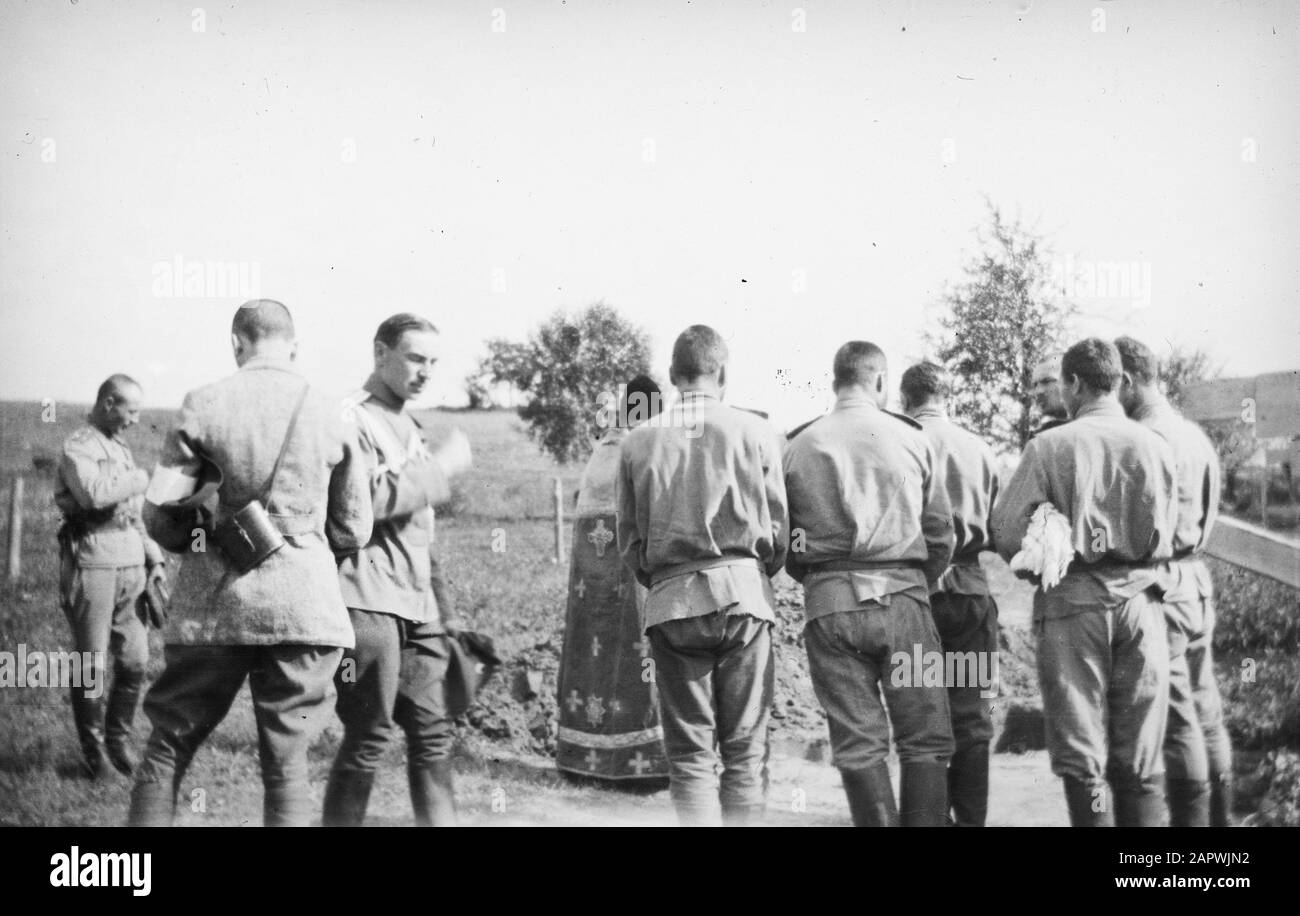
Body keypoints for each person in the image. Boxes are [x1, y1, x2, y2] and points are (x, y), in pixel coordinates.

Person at [130, 299, 373, 827]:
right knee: (287, 762)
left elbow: (160, 517)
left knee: (168, 747)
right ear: (294, 345)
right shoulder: (333, 410)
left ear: (237, 343)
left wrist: (205, 534)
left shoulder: (204, 403)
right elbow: (353, 529)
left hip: (213, 607)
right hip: (306, 611)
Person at [991, 338, 1178, 827]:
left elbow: (1008, 530)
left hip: (1073, 604)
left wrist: (1042, 556)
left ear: (1073, 384)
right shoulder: (1155, 445)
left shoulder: (1049, 446)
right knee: (1139, 751)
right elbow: (1172, 530)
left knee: (1081, 750)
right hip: (1143, 602)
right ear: (1118, 382)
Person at [615, 325, 787, 825]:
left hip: (672, 604)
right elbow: (778, 528)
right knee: (744, 751)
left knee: (689, 755)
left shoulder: (637, 442)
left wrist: (667, 580)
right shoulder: (757, 432)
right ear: (724, 373)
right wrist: (754, 572)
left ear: (671, 376)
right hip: (744, 600)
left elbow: (630, 542)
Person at [785, 342, 955, 827]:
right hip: (904, 601)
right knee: (924, 738)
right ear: (880, 382)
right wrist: (914, 581)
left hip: (830, 606)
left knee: (858, 744)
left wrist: (820, 580)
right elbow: (941, 531)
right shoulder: (914, 439)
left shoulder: (798, 445)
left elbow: (784, 538)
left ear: (835, 380)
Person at [324, 313, 472, 827]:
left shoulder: (410, 425)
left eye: (434, 361)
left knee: (434, 733)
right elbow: (359, 504)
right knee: (368, 735)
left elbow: (421, 532)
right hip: (366, 596)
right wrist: (441, 470)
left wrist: (445, 613)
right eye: (415, 358)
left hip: (419, 606)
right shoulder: (349, 418)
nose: (426, 371)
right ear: (380, 352)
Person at [1115, 336, 1232, 826]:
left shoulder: (1146, 439)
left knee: (1177, 719)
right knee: (1206, 715)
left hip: (1163, 585)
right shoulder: (1193, 435)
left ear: (1126, 382)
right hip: (1196, 580)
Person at [900, 361, 1000, 826]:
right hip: (970, 598)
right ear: (948, 396)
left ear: (904, 399)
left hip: (918, 596)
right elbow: (998, 525)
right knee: (972, 715)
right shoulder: (980, 448)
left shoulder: (898, 442)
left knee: (923, 719)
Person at [556, 375, 669, 783]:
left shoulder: (603, 446)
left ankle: (585, 756)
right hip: (628, 570)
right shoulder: (640, 445)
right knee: (639, 651)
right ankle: (643, 763)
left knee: (593, 655)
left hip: (590, 580)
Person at [54, 374, 166, 778]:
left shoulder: (118, 448)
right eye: (130, 411)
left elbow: (130, 513)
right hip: (93, 562)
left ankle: (119, 743)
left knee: (136, 660)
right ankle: (96, 755)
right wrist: (138, 478)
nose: (135, 420)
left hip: (130, 564)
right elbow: (94, 495)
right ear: (108, 404)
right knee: (91, 664)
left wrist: (153, 555)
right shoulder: (78, 447)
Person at [1030, 351, 1069, 436]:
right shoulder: (1040, 438)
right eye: (1035, 385)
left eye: (1046, 381)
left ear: (1072, 382)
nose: (1038, 391)